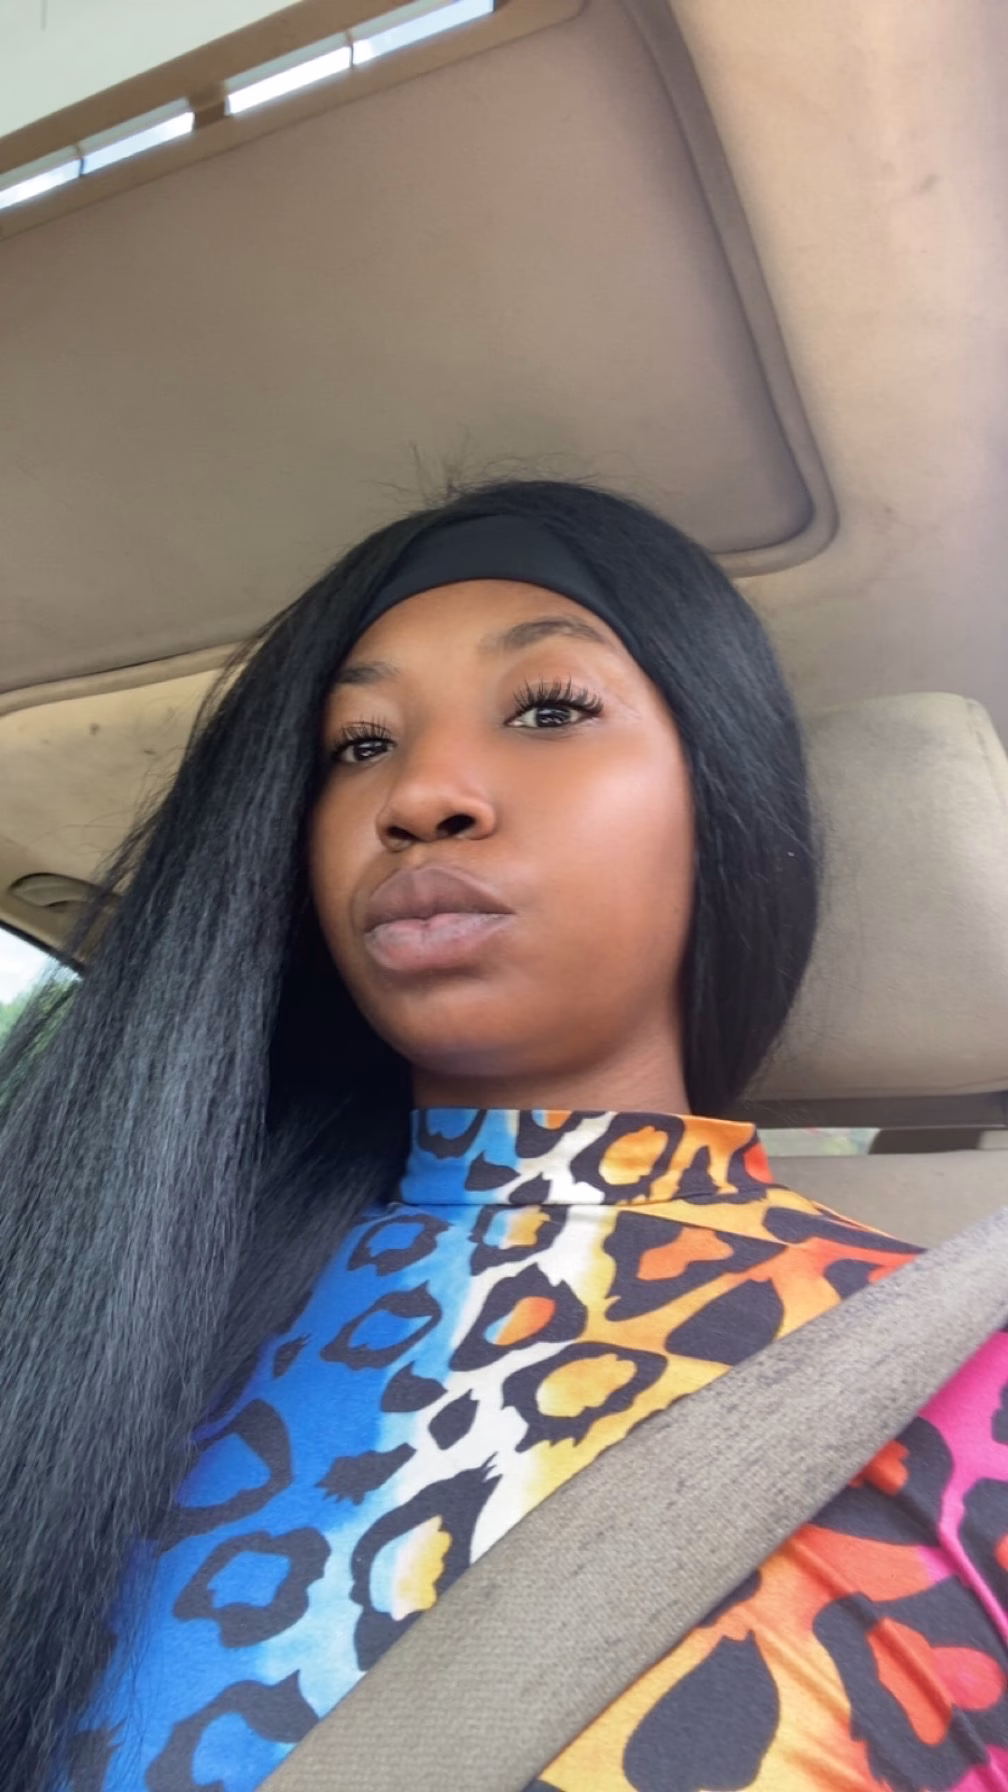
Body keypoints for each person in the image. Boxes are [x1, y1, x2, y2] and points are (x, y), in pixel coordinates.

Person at [2, 478, 1006, 1792]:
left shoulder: (963, 1368)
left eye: (549, 710)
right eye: (359, 744)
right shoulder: (121, 1286)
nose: (421, 793)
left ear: (721, 802)